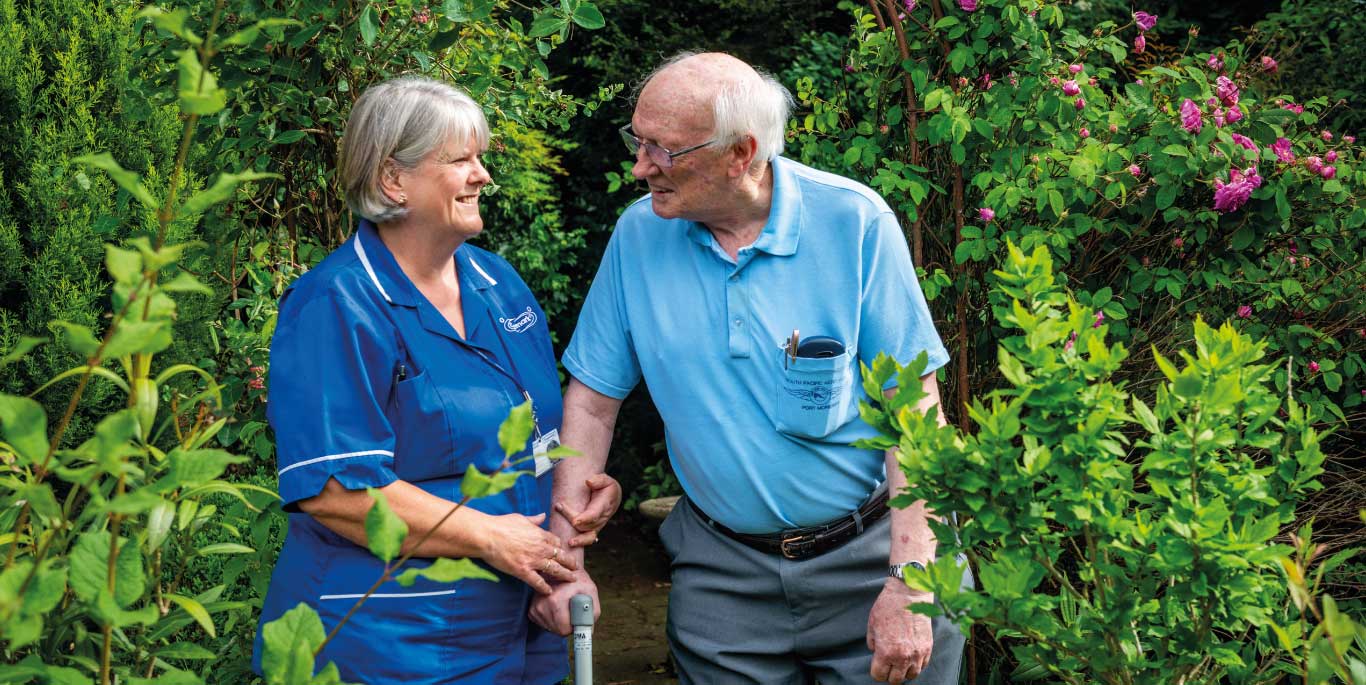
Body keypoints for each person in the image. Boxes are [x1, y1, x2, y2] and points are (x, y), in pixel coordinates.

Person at [531, 53, 972, 684]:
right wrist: (565, 555)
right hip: (723, 573)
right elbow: (594, 400)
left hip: (875, 554)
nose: (639, 166)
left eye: (664, 150)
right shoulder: (637, 236)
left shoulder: (854, 223)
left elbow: (917, 418)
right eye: (638, 141)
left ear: (742, 152)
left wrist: (912, 584)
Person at [252, 76, 616, 685]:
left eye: (481, 158)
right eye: (461, 160)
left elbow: (537, 434)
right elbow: (335, 491)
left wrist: (571, 511)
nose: (483, 176)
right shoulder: (335, 303)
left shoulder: (496, 283)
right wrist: (489, 537)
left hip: (521, 631)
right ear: (393, 179)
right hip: (390, 641)